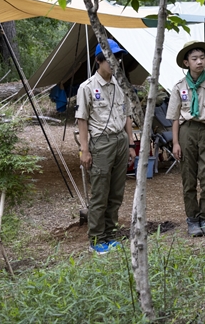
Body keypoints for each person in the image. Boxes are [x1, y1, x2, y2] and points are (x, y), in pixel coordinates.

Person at [76, 39, 136, 255]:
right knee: (100, 192)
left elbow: (127, 115)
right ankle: (96, 239)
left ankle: (110, 235)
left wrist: (130, 143)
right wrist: (85, 149)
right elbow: (82, 119)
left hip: (120, 140)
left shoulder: (120, 85)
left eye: (117, 57)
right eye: (110, 58)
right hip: (100, 142)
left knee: (116, 192)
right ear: (99, 60)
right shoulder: (87, 88)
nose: (115, 62)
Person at [166, 40, 205, 237]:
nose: (200, 62)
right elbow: (175, 117)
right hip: (187, 132)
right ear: (186, 63)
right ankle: (192, 219)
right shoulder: (178, 87)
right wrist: (175, 143)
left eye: (202, 58)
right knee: (188, 178)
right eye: (195, 59)